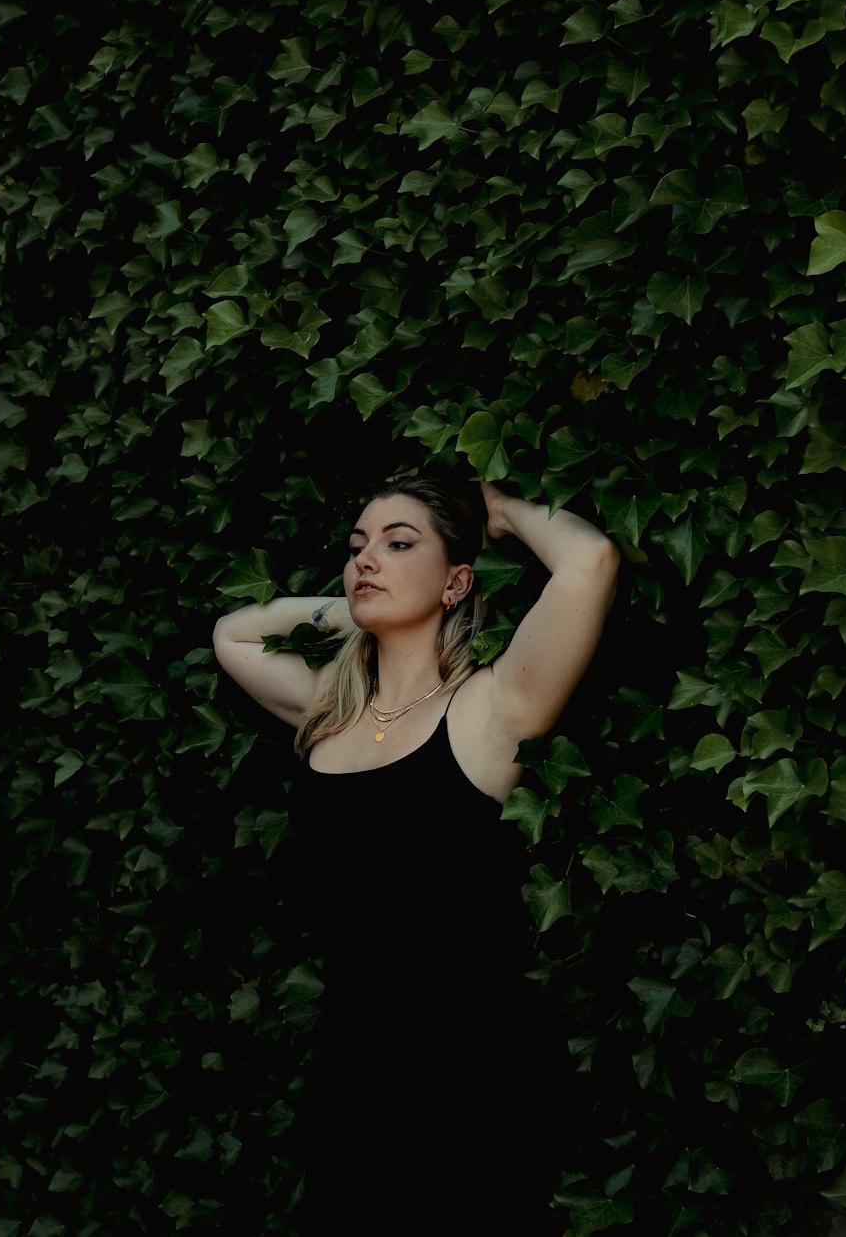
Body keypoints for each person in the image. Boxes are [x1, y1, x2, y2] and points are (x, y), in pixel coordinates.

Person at [213, 470, 619, 1234]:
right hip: (353, 1071)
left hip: (472, 1073)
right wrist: (366, 608)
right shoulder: (332, 713)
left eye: (400, 544)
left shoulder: (490, 710)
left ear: (458, 579)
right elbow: (232, 633)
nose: (368, 558)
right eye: (358, 547)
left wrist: (499, 510)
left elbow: (587, 563)